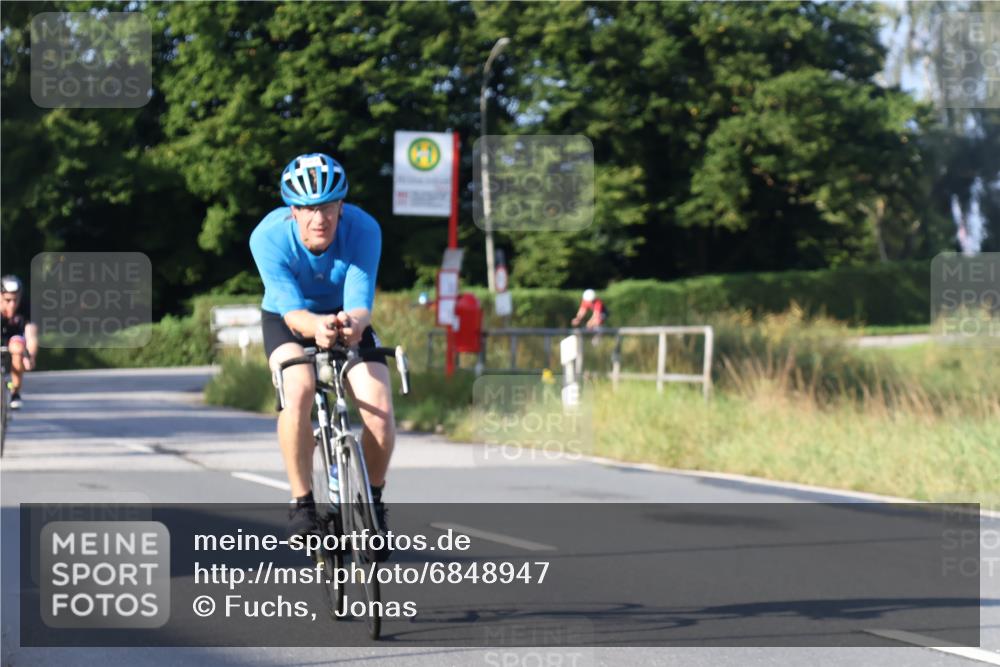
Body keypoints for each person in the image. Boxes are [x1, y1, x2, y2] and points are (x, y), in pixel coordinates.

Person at [249, 152, 395, 555]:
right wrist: (318, 327)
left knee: (380, 410)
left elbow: (361, 303)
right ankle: (302, 503)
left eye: (328, 206)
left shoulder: (364, 229)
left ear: (341, 206)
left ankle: (372, 502)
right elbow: (293, 314)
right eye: (308, 208)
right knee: (298, 386)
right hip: (287, 318)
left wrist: (352, 324)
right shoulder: (267, 237)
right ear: (292, 211)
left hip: (346, 317)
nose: (319, 218)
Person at [1, 275, 38, 410]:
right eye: (8, 300)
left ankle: (15, 392)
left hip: (15, 337)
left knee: (17, 348)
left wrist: (30, 356)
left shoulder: (26, 306)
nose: (12, 304)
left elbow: (31, 335)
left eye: (15, 300)